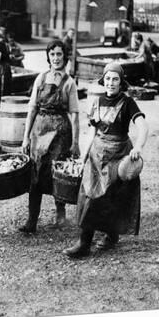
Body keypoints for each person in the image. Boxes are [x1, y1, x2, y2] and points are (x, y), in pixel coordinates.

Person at [63, 62, 148, 258]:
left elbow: (142, 126)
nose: (111, 83)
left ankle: (111, 235)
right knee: (89, 195)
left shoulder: (128, 103)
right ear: (104, 80)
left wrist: (138, 147)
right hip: (97, 153)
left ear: (121, 82)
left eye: (115, 79)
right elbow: (92, 131)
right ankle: (84, 243)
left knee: (113, 196)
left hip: (119, 154)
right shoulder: (97, 101)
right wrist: (83, 156)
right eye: (108, 78)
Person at [19, 40, 80, 233]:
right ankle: (31, 220)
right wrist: (25, 137)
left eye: (59, 54)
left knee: (58, 174)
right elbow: (32, 109)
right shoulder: (41, 78)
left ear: (65, 56)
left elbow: (75, 115)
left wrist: (76, 143)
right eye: (52, 54)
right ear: (48, 57)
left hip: (61, 133)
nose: (55, 58)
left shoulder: (69, 83)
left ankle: (60, 215)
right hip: (39, 130)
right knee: (35, 174)